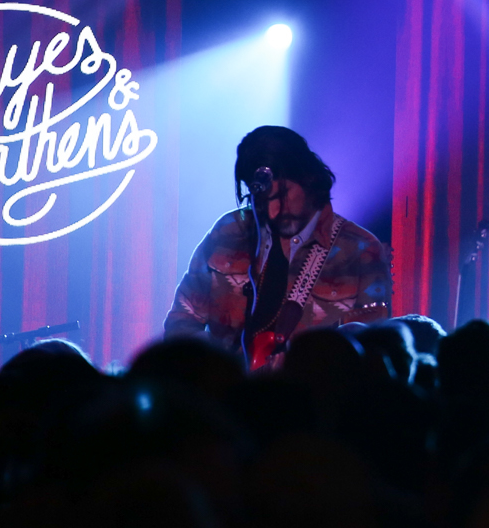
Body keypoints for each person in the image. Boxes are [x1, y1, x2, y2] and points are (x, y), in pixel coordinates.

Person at [164, 126, 392, 367]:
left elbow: (373, 352)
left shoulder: (360, 250)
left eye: (283, 194)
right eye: (262, 200)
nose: (273, 212)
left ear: (309, 178)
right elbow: (183, 319)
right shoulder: (230, 230)